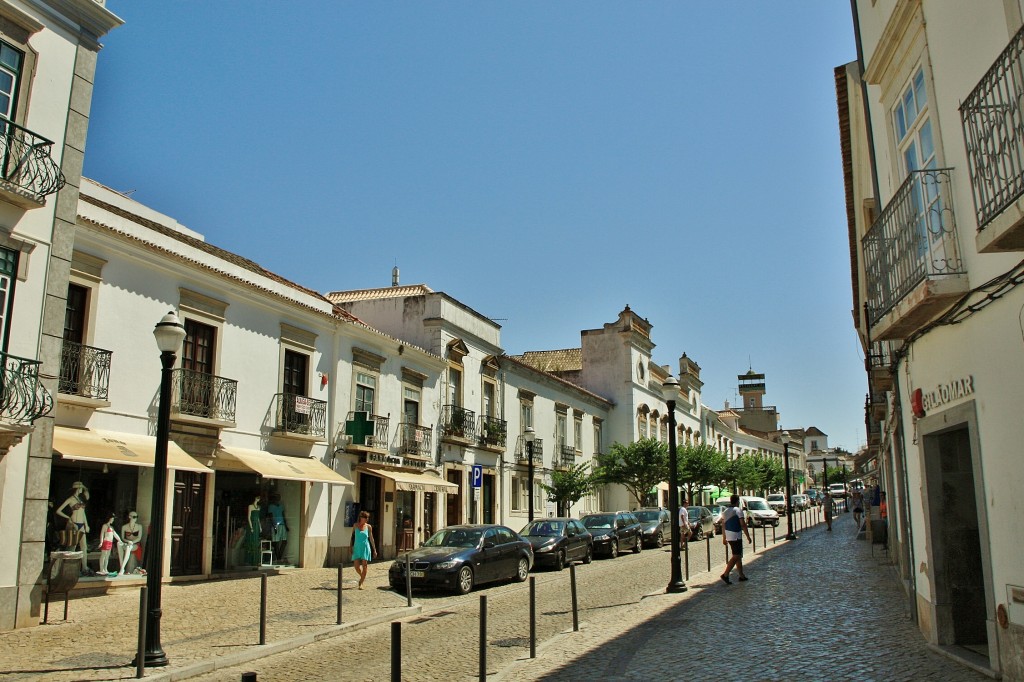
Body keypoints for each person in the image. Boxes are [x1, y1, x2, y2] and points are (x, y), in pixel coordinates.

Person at [719, 494, 751, 584]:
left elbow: (723, 525)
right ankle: (725, 574)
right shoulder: (738, 510)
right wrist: (748, 536)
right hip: (736, 535)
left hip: (729, 536)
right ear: (738, 501)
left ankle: (741, 575)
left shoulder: (725, 511)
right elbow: (743, 524)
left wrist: (724, 537)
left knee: (738, 555)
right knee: (736, 556)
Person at [55, 482, 90, 556]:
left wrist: (86, 525)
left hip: (81, 525)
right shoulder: (70, 499)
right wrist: (68, 517)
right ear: (77, 489)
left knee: (84, 546)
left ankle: (84, 566)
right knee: (72, 546)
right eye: (81, 488)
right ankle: (70, 565)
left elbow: (83, 513)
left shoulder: (80, 499)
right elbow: (58, 511)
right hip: (74, 524)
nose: (81, 490)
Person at [351, 511, 377, 589]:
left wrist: (374, 550)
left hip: (365, 547)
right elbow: (352, 537)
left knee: (364, 566)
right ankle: (362, 576)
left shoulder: (368, 527)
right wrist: (350, 546)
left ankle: (361, 583)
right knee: (356, 566)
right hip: (356, 547)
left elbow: (371, 538)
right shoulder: (355, 525)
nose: (367, 519)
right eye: (365, 517)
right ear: (361, 517)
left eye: (367, 518)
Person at [119, 511, 143, 575]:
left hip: (136, 544)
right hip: (127, 543)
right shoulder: (124, 527)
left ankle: (122, 568)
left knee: (128, 547)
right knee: (119, 545)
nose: (135, 518)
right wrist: (128, 541)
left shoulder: (139, 526)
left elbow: (139, 538)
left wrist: (132, 542)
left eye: (136, 517)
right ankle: (122, 566)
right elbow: (123, 538)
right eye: (134, 517)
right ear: (130, 517)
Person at [267, 494, 288, 562]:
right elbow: (271, 517)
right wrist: (274, 526)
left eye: (279, 497)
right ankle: (278, 558)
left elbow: (283, 515)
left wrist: (286, 525)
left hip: (282, 525)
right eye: (276, 498)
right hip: (275, 525)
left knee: (284, 541)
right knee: (276, 542)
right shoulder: (271, 506)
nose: (278, 499)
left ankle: (279, 557)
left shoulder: (281, 506)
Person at [247, 495, 263, 565]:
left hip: (256, 525)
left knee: (256, 541)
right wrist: (251, 527)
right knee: (251, 541)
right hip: (252, 524)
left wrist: (260, 527)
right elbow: (248, 517)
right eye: (257, 497)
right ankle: (250, 560)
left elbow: (258, 518)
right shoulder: (250, 506)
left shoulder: (259, 507)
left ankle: (255, 560)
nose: (258, 499)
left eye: (259, 498)